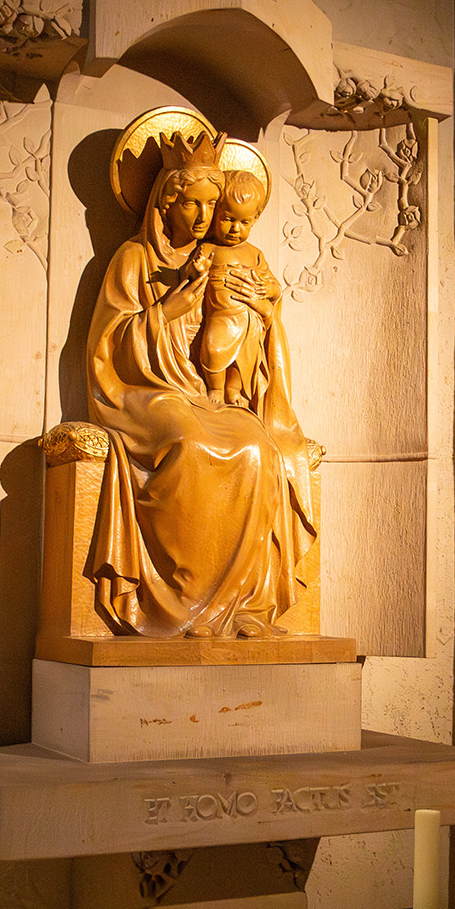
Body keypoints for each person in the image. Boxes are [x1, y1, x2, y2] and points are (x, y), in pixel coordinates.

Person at [84, 131, 317, 640]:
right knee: (188, 442)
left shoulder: (224, 256)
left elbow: (254, 331)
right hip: (144, 392)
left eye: (214, 205)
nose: (206, 217)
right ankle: (185, 599)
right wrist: (166, 312)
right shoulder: (134, 259)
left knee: (258, 447)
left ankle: (242, 606)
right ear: (167, 199)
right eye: (194, 205)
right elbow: (106, 348)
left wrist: (263, 307)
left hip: (207, 390)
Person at [193, 169, 281, 408]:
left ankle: (233, 389)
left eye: (244, 222)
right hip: (220, 316)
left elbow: (273, 285)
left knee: (243, 359)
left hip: (247, 319)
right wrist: (197, 269)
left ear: (255, 219)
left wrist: (269, 289)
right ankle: (215, 388)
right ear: (215, 214)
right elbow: (191, 277)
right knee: (213, 349)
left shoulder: (254, 253)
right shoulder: (209, 248)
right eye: (228, 219)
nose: (235, 228)